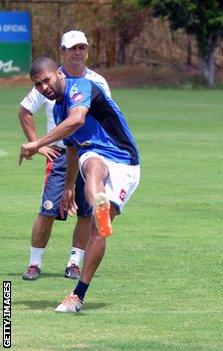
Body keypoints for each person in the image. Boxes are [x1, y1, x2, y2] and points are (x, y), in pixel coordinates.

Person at [19, 56, 140, 313]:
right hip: (92, 154)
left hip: (125, 160)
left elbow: (77, 121)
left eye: (46, 80)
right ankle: (100, 203)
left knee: (98, 231)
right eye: (38, 85)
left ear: (59, 74)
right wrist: (69, 187)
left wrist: (36, 143)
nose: (43, 88)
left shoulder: (81, 86)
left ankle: (79, 292)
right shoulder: (57, 109)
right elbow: (72, 148)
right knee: (93, 166)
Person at [18, 30, 112, 281]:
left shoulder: (98, 82)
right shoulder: (48, 81)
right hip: (60, 155)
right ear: (62, 51)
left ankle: (74, 262)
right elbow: (25, 111)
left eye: (82, 48)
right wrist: (37, 145)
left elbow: (106, 118)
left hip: (90, 154)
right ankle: (34, 263)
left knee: (85, 211)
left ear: (87, 51)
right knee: (48, 209)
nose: (78, 53)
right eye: (72, 48)